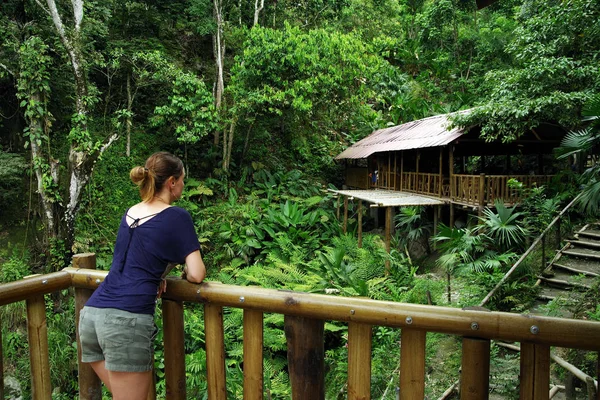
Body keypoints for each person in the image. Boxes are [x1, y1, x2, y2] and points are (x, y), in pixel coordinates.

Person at [78, 151, 206, 399]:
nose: (182, 185)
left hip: (92, 317)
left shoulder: (131, 212)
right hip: (125, 321)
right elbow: (197, 273)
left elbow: (137, 259)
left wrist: (160, 274)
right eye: (182, 180)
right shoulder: (177, 216)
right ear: (171, 182)